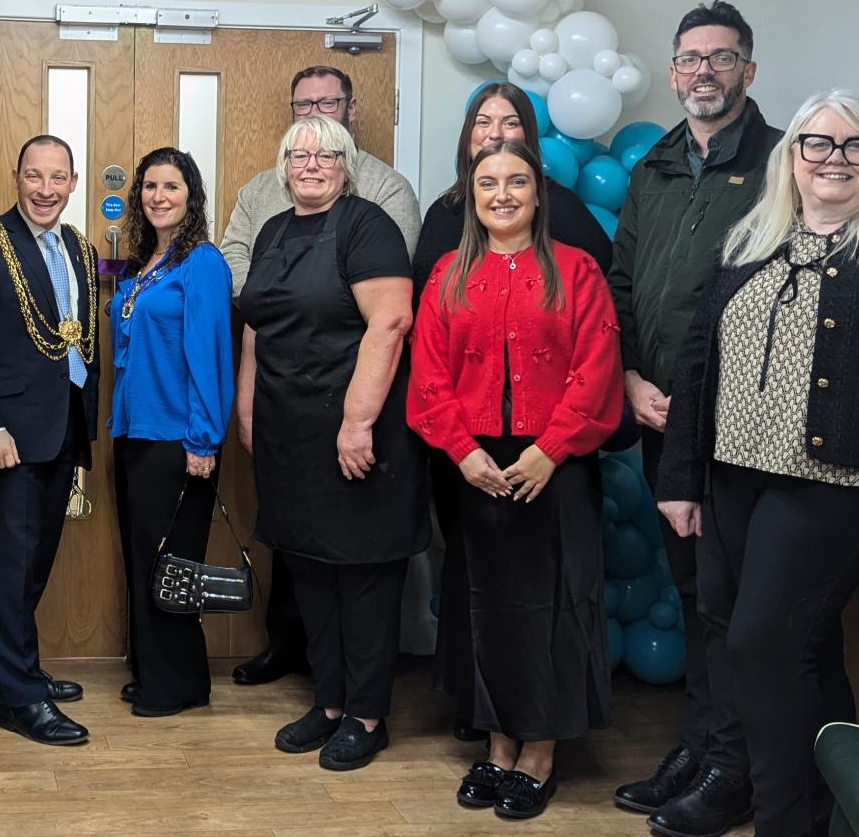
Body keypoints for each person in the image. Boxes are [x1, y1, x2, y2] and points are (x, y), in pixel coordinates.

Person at [656, 91, 859, 837]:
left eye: (855, 146)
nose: (834, 159)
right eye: (818, 144)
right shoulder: (751, 236)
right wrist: (679, 478)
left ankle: (782, 821)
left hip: (844, 486)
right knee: (773, 638)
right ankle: (824, 804)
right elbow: (697, 361)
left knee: (763, 644)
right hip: (734, 474)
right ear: (792, 155)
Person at [408, 139, 622, 819]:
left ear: (539, 193)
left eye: (517, 181)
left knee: (553, 607)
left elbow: (597, 370)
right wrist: (462, 450)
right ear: (471, 196)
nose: (502, 193)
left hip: (554, 465)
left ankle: (540, 753)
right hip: (474, 466)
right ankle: (499, 743)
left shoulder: (577, 271)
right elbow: (428, 375)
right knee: (486, 607)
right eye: (488, 182)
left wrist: (551, 450)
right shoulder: (447, 272)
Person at [609, 0, 782, 834]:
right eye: (689, 59)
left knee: (728, 600)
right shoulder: (657, 165)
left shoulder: (784, 163)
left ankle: (733, 768)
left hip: (740, 428)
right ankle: (702, 743)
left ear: (749, 69)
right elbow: (623, 285)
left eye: (721, 57)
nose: (703, 72)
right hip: (657, 414)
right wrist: (631, 377)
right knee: (690, 588)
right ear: (673, 71)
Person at [221, 65, 421, 687]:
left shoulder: (370, 222)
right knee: (306, 567)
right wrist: (249, 413)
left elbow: (389, 324)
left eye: (326, 154)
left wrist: (357, 423)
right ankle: (328, 703)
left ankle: (364, 713)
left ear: (346, 162)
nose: (312, 163)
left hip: (352, 434)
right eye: (300, 154)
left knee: (358, 576)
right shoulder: (274, 227)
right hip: (289, 432)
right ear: (285, 167)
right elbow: (256, 321)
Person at [0, 135, 101, 746]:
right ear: (16, 177)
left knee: (36, 560)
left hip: (64, 424)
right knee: (12, 564)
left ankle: (10, 671)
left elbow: (82, 338)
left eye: (57, 178)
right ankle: (20, 699)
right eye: (34, 176)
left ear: (74, 182)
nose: (45, 189)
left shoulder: (80, 249)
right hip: (6, 433)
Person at [108, 148, 234, 718]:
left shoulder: (202, 263)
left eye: (172, 187)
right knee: (144, 560)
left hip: (179, 439)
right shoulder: (142, 266)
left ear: (192, 196)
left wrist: (204, 441)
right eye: (150, 186)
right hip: (135, 434)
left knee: (173, 565)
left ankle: (179, 683)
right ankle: (157, 673)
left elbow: (210, 355)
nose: (159, 196)